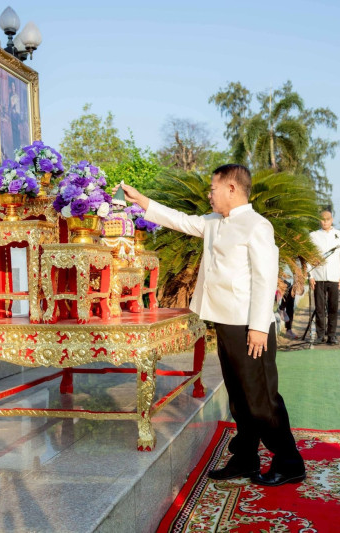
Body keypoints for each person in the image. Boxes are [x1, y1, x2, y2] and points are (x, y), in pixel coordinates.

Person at [114, 164, 306, 486]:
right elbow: (179, 219)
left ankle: (290, 462)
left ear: (232, 188)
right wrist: (142, 200)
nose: (209, 194)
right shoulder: (214, 222)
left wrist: (260, 326)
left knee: (261, 399)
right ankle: (245, 458)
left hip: (250, 327)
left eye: (213, 188)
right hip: (226, 322)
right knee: (239, 397)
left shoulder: (257, 226)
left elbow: (264, 278)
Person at [308, 211, 340, 345]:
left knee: (333, 307)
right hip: (318, 276)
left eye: (327, 219)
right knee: (319, 308)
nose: (325, 222)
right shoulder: (313, 235)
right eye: (322, 219)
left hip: (334, 276)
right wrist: (310, 275)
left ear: (332, 220)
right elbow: (309, 256)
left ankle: (332, 335)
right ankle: (320, 335)